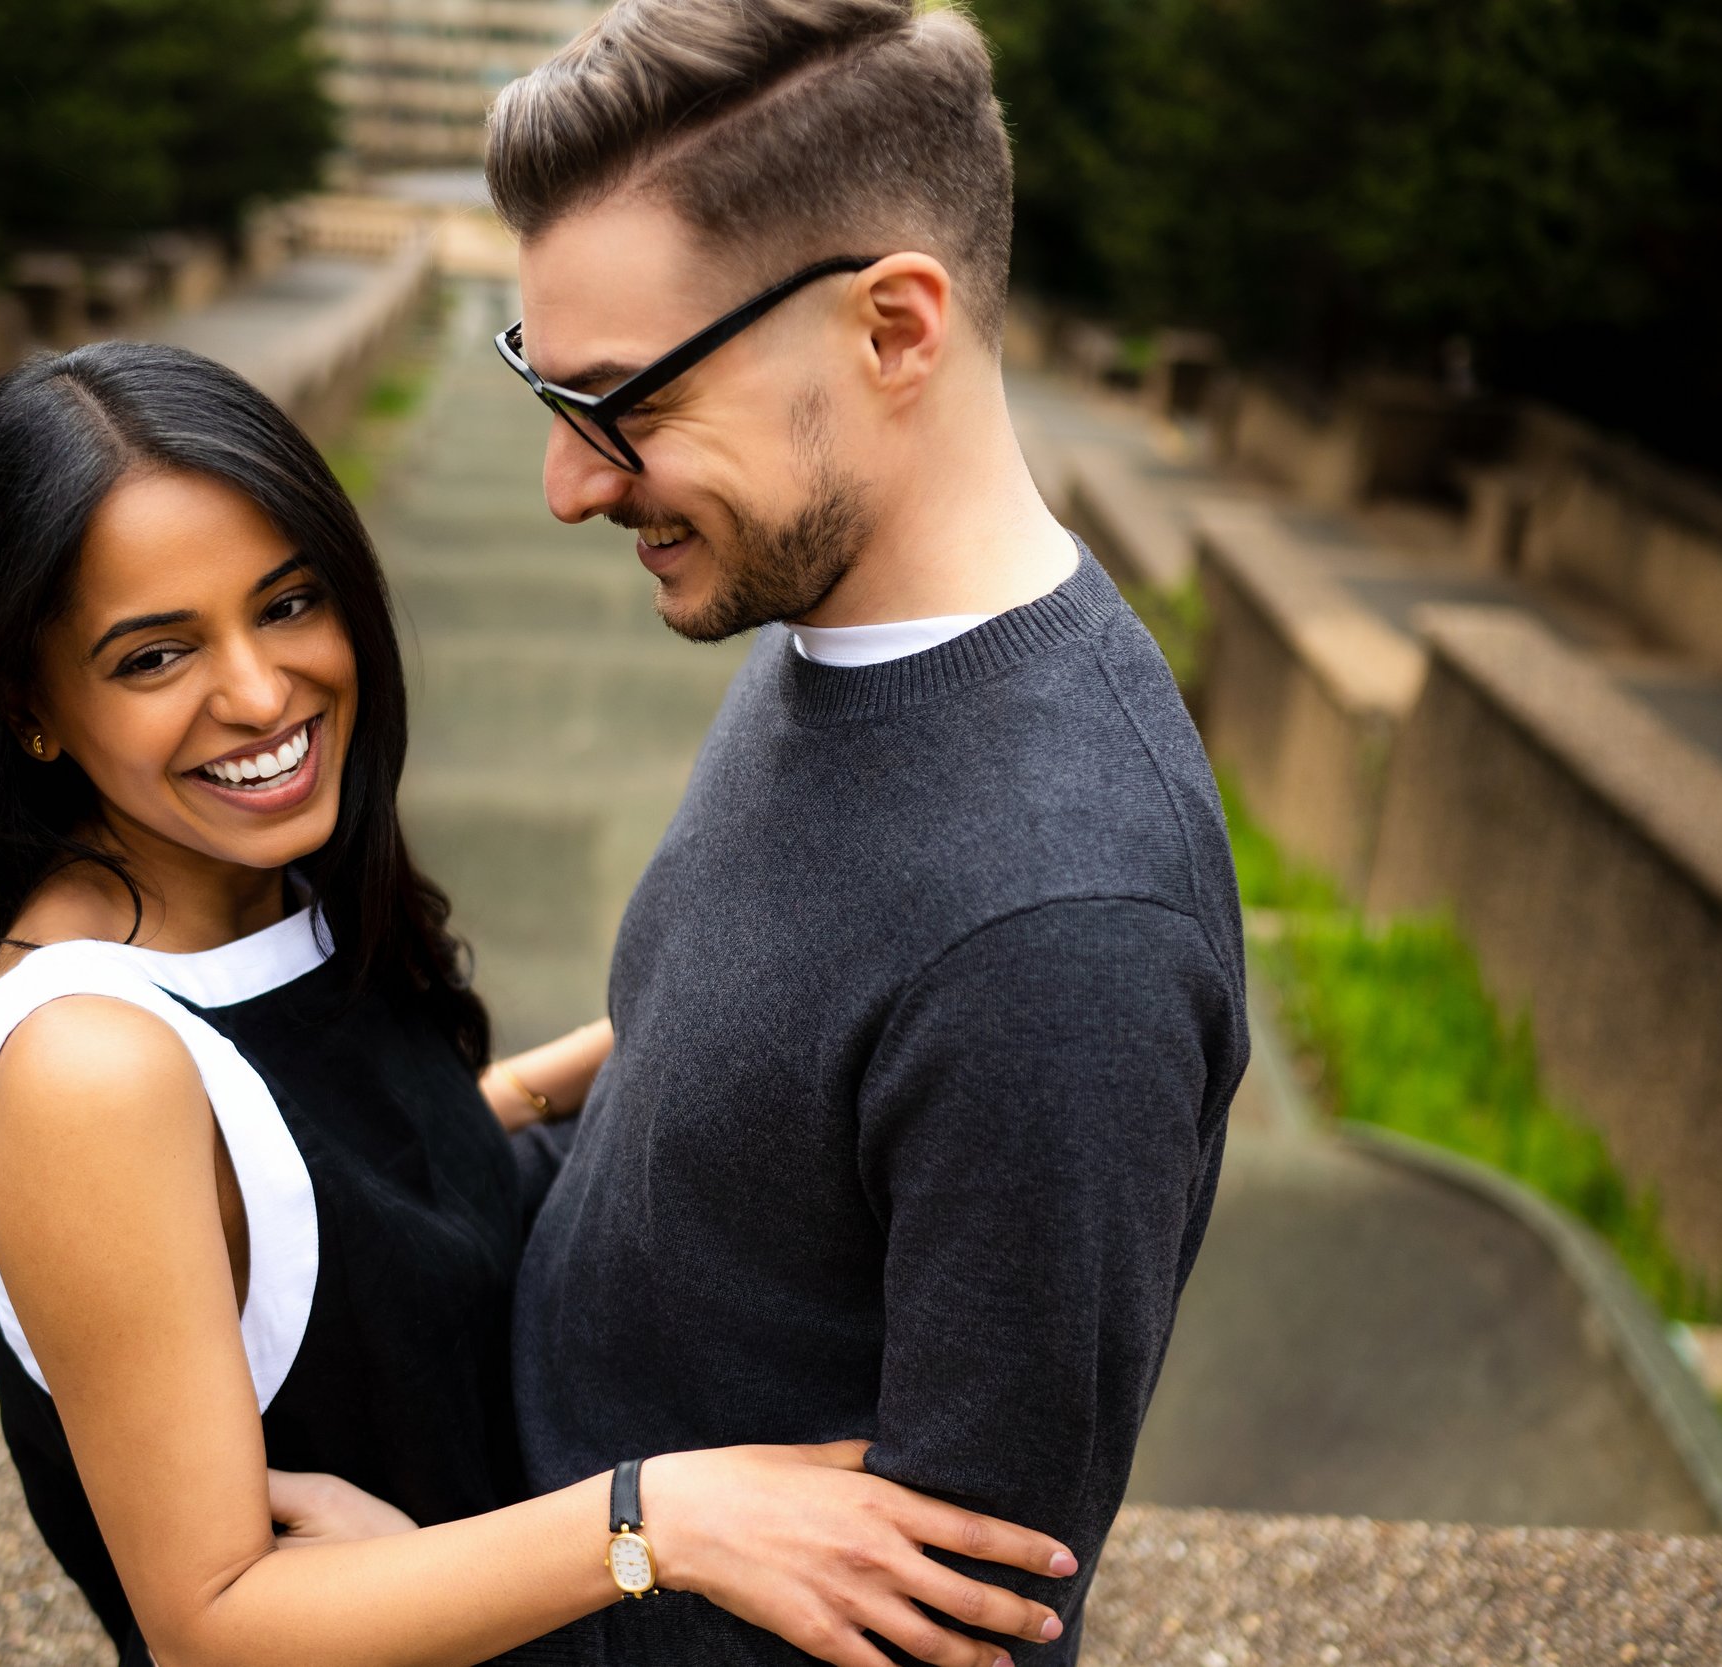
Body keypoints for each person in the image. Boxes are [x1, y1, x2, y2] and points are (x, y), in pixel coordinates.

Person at [0, 340, 1079, 1667]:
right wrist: (658, 1522)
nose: (259, 692)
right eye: (155, 656)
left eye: (287, 605)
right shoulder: (89, 1070)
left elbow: (320, 1197)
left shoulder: (256, 885)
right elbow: (212, 1625)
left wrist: (705, 1032)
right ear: (29, 707)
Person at [478, 2, 1251, 1662]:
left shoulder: (1063, 934)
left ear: (895, 328)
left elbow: (949, 1623)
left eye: (622, 403)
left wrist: (484, 1584)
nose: (566, 482)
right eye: (545, 388)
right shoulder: (828, 613)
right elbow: (817, 1052)